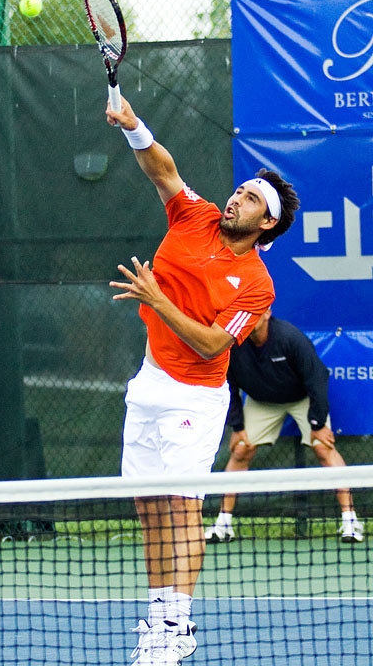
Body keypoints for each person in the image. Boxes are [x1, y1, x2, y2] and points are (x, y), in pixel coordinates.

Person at [105, 95, 300, 666]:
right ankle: (158, 620)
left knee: (182, 507)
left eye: (252, 199)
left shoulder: (257, 284)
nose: (237, 198)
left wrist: (157, 299)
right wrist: (133, 126)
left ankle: (179, 625)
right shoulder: (195, 215)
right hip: (149, 382)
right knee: (148, 506)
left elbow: (214, 344)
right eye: (240, 190)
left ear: (267, 223)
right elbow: (163, 170)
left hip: (194, 397)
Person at [204, 307, 364, 545]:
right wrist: (237, 427)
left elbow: (317, 377)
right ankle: (223, 524)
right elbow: (229, 385)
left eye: (255, 313)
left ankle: (351, 521)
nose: (250, 319)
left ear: (267, 313)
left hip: (302, 398)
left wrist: (318, 423)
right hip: (262, 402)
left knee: (323, 447)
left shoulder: (289, 338)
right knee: (240, 450)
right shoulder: (234, 343)